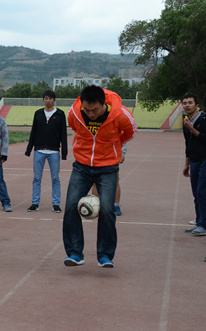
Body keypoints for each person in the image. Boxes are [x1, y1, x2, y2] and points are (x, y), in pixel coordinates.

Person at [62, 85, 137, 268]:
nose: (91, 114)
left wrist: (114, 144)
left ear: (104, 104)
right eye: (87, 110)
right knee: (71, 205)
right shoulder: (75, 112)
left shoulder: (120, 114)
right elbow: (73, 126)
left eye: (95, 110)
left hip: (108, 168)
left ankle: (105, 255)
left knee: (107, 210)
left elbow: (131, 132)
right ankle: (74, 253)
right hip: (82, 166)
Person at [25, 90, 67, 213]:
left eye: (50, 98)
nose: (48, 101)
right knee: (37, 178)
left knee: (55, 178)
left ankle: (56, 204)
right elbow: (33, 132)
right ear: (43, 100)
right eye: (46, 98)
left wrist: (64, 153)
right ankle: (35, 203)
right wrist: (29, 149)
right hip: (39, 151)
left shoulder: (60, 114)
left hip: (54, 152)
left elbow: (63, 134)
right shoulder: (38, 114)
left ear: (54, 100)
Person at [182, 93, 206, 236]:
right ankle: (199, 221)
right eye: (185, 103)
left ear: (196, 105)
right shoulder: (186, 122)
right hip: (193, 161)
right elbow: (188, 144)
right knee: (196, 192)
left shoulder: (205, 119)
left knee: (202, 192)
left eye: (190, 102)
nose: (187, 105)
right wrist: (186, 164)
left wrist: (191, 128)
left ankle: (203, 225)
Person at [92, 144, 127, 216]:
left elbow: (122, 139)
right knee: (95, 182)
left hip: (111, 158)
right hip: (96, 157)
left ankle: (116, 205)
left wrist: (122, 153)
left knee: (115, 181)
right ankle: (95, 205)